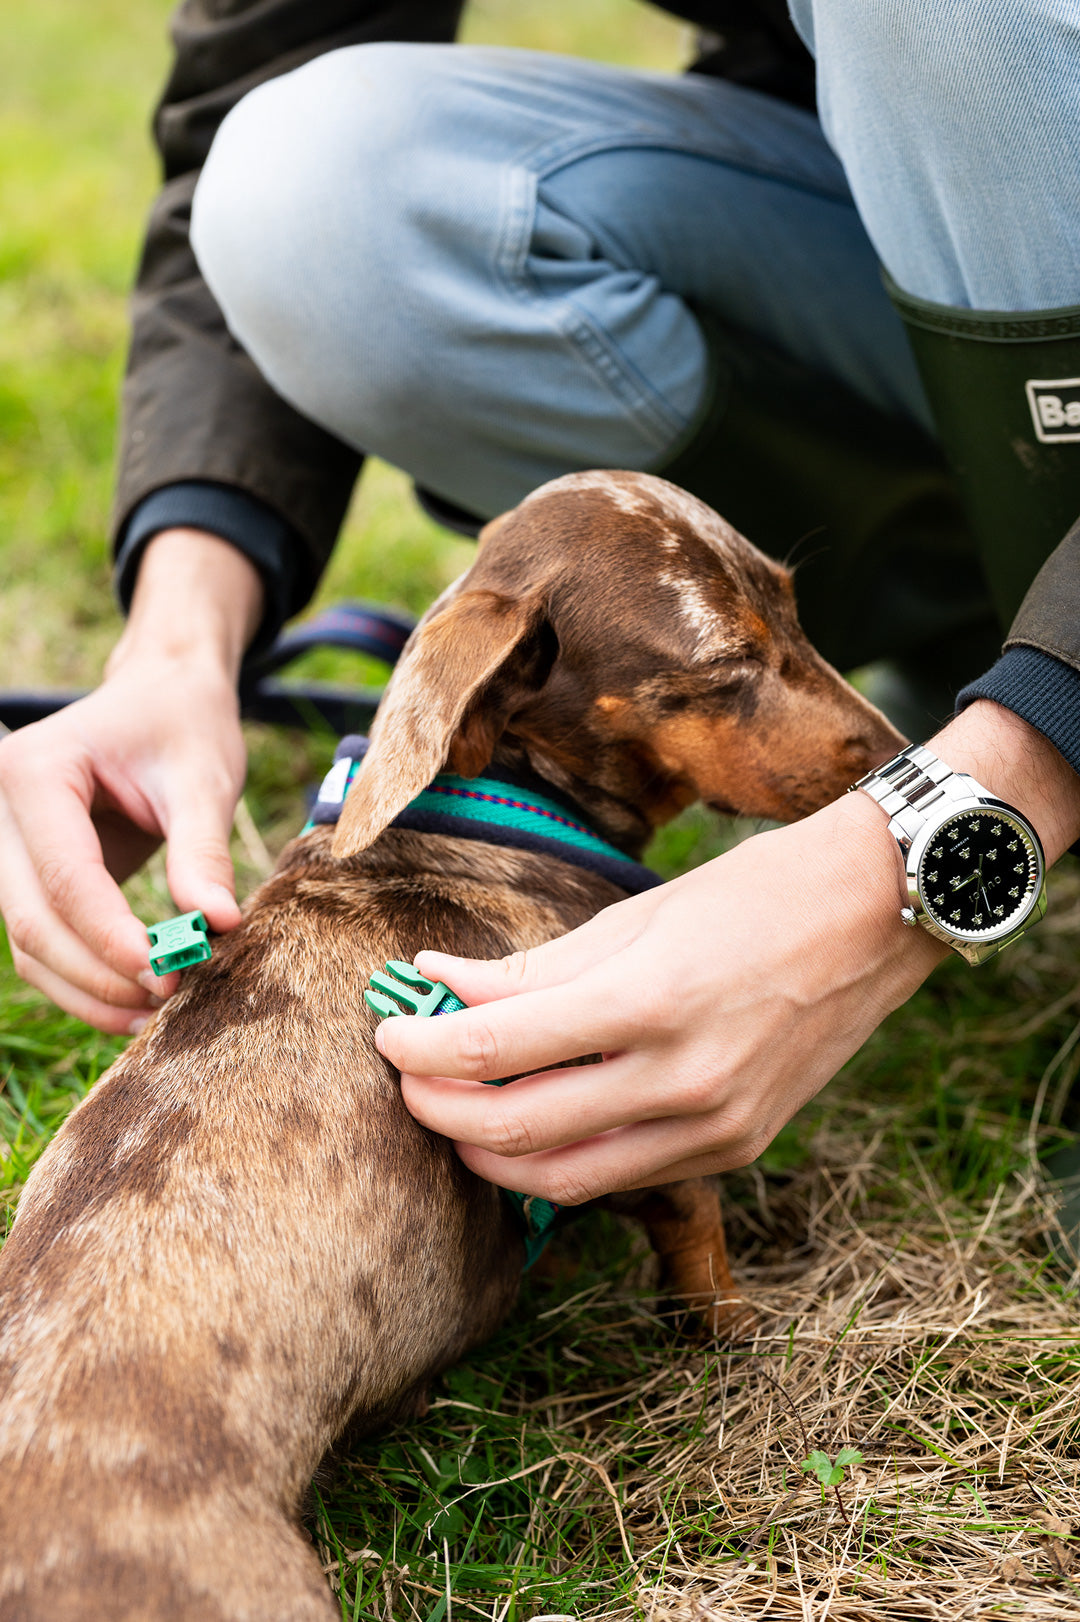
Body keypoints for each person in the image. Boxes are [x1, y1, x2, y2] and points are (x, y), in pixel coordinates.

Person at [2, 1, 1079, 1209]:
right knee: (310, 189)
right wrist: (176, 645)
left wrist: (985, 798)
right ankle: (978, 604)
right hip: (860, 203)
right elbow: (253, 71)